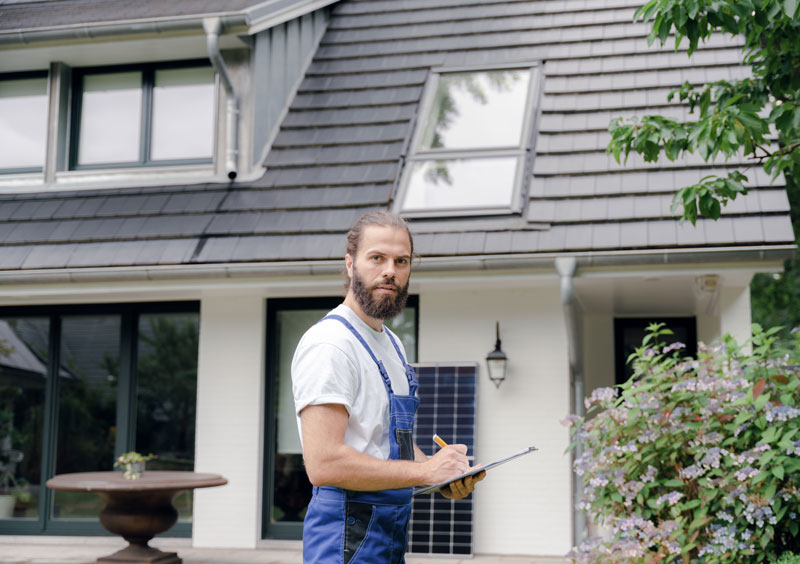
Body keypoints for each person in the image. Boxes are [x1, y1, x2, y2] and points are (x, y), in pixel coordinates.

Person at [291, 210, 484, 563]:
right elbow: (323, 463)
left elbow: (387, 448)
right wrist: (424, 471)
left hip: (389, 536)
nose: (390, 271)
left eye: (401, 260)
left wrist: (442, 475)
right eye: (377, 258)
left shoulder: (392, 344)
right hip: (344, 539)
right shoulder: (330, 344)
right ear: (350, 264)